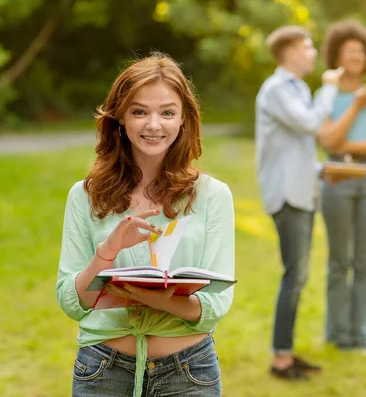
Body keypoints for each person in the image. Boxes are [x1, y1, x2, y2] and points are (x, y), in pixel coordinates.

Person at [56, 52, 235, 397]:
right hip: (102, 369)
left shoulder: (213, 196)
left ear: (184, 119)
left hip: (189, 372)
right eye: (139, 112)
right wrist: (107, 253)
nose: (154, 125)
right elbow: (71, 301)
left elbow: (215, 305)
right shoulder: (85, 196)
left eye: (167, 112)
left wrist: (142, 296)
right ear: (120, 117)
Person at [255, 25, 345, 380]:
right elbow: (310, 124)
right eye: (308, 46)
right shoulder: (277, 89)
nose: (312, 52)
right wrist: (331, 87)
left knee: (299, 275)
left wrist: (322, 170)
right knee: (294, 275)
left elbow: (296, 147)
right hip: (287, 195)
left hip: (303, 191)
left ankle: (286, 352)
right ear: (289, 51)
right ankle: (280, 360)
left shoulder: (295, 88)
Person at [316, 20, 366, 353]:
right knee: (339, 260)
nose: (356, 56)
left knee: (364, 261)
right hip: (337, 177)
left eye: (361, 51)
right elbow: (328, 139)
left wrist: (352, 147)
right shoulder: (326, 95)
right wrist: (355, 107)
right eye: (350, 50)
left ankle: (361, 335)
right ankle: (338, 335)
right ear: (337, 55)